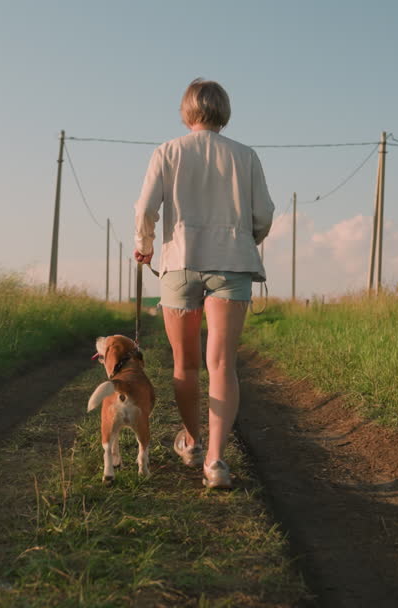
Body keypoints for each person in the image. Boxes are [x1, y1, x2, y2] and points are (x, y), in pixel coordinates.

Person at [133, 78, 274, 489]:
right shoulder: (246, 156)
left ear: (186, 111)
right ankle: (215, 462)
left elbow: (145, 209)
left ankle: (192, 442)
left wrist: (143, 245)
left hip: (179, 262)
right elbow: (263, 214)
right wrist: (245, 239)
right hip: (232, 264)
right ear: (224, 112)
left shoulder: (168, 151)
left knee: (185, 364)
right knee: (222, 365)